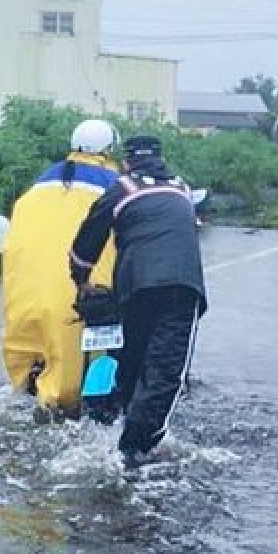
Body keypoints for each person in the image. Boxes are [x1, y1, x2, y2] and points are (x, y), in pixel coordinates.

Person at [68, 135, 207, 466]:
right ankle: (136, 450)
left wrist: (82, 282)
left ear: (126, 162)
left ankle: (109, 431)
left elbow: (84, 245)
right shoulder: (183, 189)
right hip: (182, 288)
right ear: (162, 159)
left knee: (129, 359)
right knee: (166, 371)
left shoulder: (122, 188)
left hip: (133, 288)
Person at [1, 118, 121, 420]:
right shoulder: (113, 190)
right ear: (108, 151)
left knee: (29, 366)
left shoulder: (35, 190)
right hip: (74, 298)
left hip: (23, 297)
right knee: (72, 388)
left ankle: (31, 387)